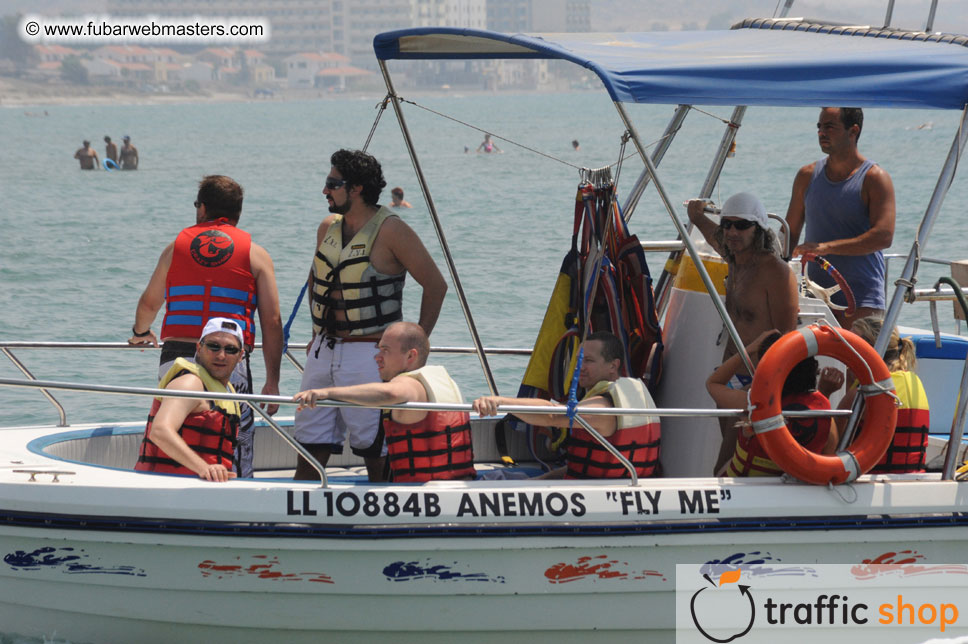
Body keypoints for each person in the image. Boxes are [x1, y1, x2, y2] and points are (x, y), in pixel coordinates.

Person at [293, 149, 447, 482]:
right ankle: (300, 516)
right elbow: (316, 280)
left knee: (375, 447)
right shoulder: (327, 227)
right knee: (308, 442)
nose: (325, 191)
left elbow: (436, 285)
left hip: (369, 352)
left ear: (357, 189)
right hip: (323, 349)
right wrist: (317, 331)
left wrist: (411, 347)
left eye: (333, 184)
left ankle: (385, 511)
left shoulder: (392, 231)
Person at [128, 175, 283, 478]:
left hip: (175, 355)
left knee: (177, 425)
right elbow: (272, 322)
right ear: (238, 212)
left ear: (202, 209)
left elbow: (149, 303)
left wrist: (139, 333)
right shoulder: (256, 254)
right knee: (232, 438)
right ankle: (233, 488)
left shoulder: (176, 247)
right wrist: (272, 380)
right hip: (228, 357)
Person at [294, 321, 474, 482]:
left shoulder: (409, 384)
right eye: (379, 349)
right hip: (454, 484)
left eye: (385, 350)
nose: (377, 356)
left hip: (423, 494)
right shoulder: (441, 380)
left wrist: (326, 392)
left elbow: (391, 393)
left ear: (410, 356)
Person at [473, 331, 660, 479]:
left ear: (613, 366)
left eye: (588, 361)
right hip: (599, 485)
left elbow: (552, 416)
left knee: (492, 480)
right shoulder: (617, 399)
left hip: (592, 495)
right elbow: (580, 467)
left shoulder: (603, 408)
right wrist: (538, 481)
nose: (580, 367)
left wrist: (500, 402)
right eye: (578, 360)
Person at [785, 107, 896, 327]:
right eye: (819, 127)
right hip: (814, 298)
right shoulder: (806, 176)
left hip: (862, 300)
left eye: (829, 127)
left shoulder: (875, 178)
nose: (821, 133)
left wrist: (825, 248)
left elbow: (883, 236)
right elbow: (789, 235)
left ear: (853, 131)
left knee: (858, 362)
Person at [706, 329, 834, 477]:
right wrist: (825, 391)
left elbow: (713, 383)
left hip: (746, 489)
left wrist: (752, 347)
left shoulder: (754, 405)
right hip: (792, 490)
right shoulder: (825, 412)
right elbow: (829, 452)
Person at [134, 318, 245, 482]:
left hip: (202, 486)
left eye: (230, 349)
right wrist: (205, 468)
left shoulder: (226, 390)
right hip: (164, 484)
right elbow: (160, 431)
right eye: (213, 346)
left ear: (240, 356)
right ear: (199, 348)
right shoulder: (190, 383)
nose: (221, 355)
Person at [819, 316, 929, 473]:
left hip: (869, 484)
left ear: (868, 348)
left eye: (850, 344)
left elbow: (828, 450)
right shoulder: (913, 381)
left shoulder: (865, 392)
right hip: (912, 479)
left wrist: (824, 393)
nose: (844, 350)